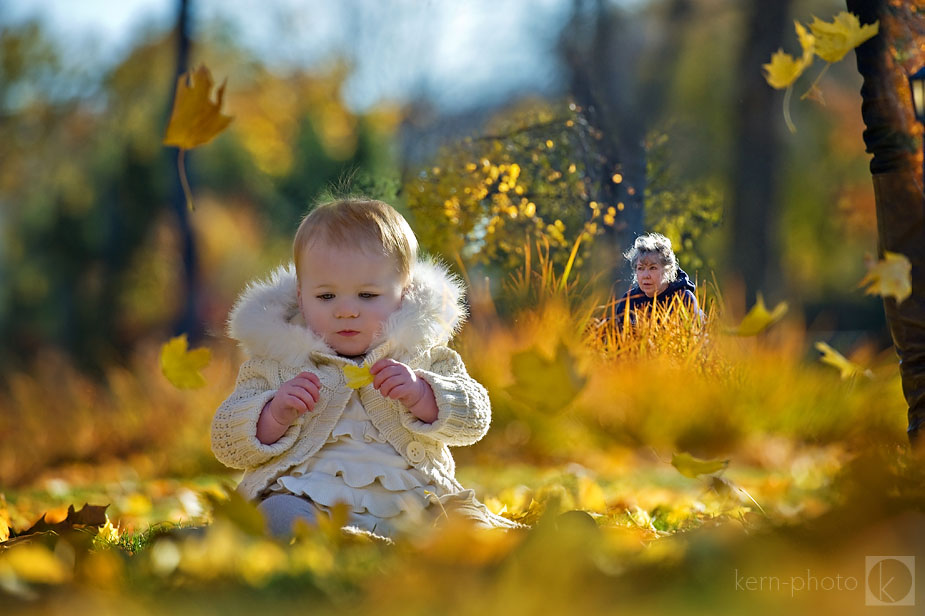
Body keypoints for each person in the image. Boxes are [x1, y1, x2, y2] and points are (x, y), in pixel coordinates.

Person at [211, 197, 518, 539]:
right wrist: (274, 413)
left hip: (415, 499)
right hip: (309, 498)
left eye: (367, 296)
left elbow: (475, 419)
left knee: (461, 517)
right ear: (301, 298)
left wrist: (423, 395)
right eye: (326, 297)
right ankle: (343, 540)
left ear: (404, 295)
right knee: (277, 514)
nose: (346, 311)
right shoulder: (280, 363)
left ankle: (510, 538)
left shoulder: (419, 355)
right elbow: (227, 442)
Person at [612, 232, 703, 326]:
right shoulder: (629, 301)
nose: (646, 275)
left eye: (653, 268)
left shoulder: (684, 299)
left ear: (667, 270)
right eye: (640, 268)